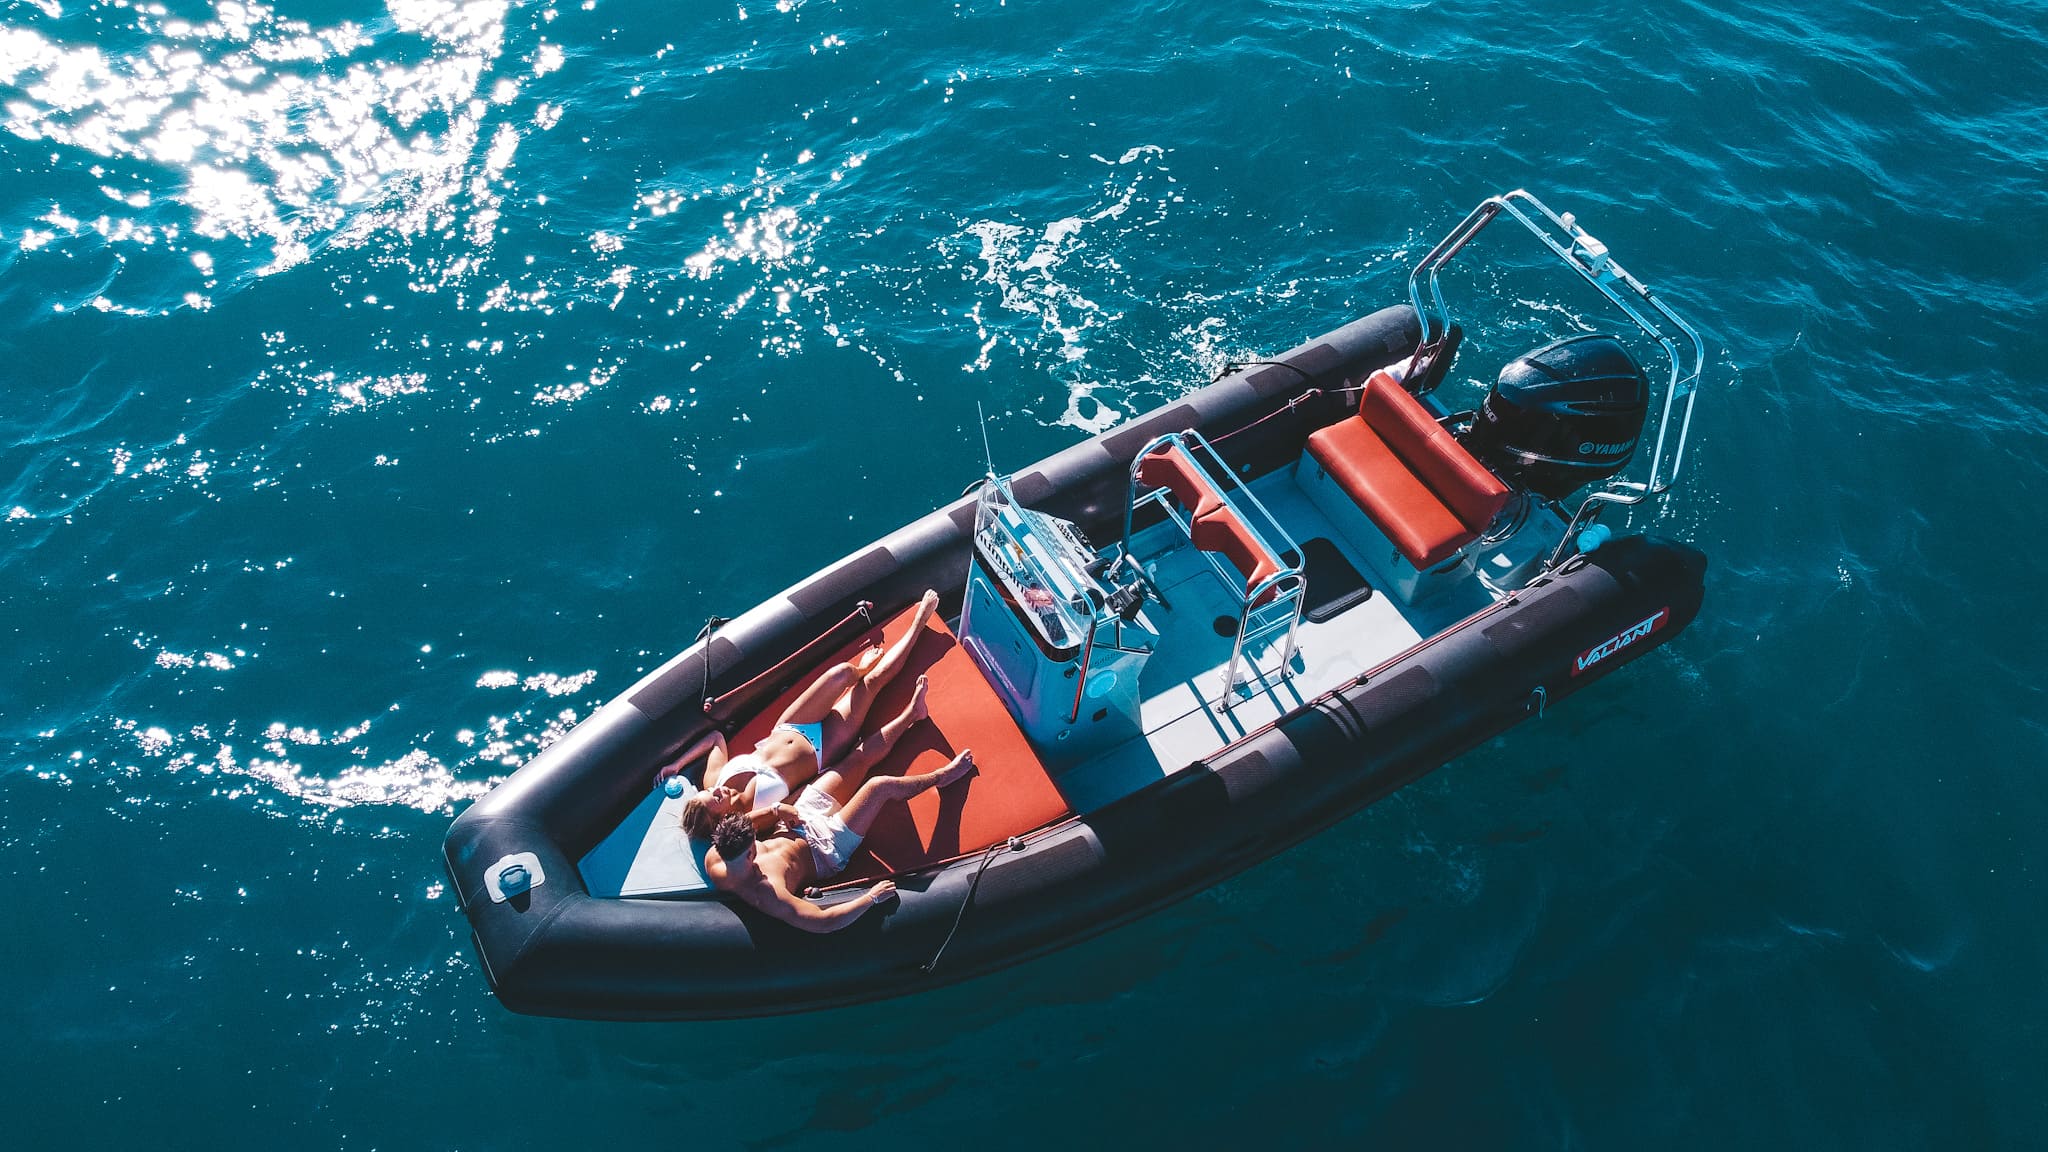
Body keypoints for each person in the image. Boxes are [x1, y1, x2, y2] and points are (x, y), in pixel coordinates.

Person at [662, 590, 941, 839]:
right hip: (822, 749)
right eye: (715, 799)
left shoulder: (714, 779)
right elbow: (785, 811)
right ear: (719, 819)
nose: (716, 791)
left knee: (843, 673)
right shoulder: (748, 821)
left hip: (790, 726)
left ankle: (862, 668)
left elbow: (715, 738)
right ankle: (919, 624)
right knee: (873, 683)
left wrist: (677, 763)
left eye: (710, 792)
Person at [704, 749, 976, 931]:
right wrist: (870, 899)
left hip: (800, 820)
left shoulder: (716, 856)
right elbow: (823, 922)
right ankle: (942, 777)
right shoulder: (768, 893)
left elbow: (747, 822)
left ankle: (913, 714)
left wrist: (778, 810)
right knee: (878, 786)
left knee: (853, 762)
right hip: (827, 847)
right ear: (750, 853)